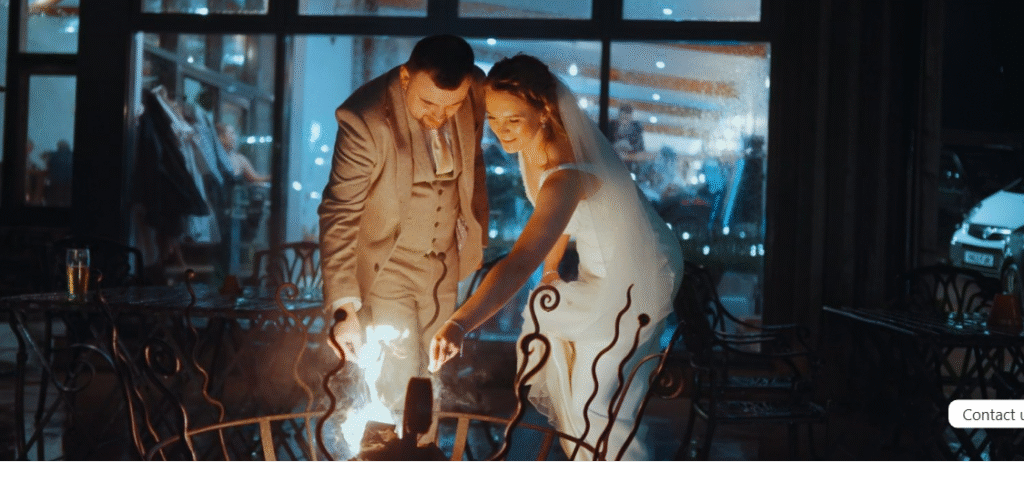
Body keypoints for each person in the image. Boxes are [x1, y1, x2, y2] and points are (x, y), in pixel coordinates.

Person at [429, 55, 683, 460]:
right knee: (579, 404)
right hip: (597, 270)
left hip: (637, 277)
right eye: (493, 118)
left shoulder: (568, 171)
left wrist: (460, 322)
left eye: (513, 119)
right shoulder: (533, 145)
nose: (500, 130)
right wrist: (551, 271)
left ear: (544, 110)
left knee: (594, 404)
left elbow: (519, 260)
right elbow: (559, 223)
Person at [318, 35, 489, 423]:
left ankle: (422, 451)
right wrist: (346, 309)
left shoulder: (475, 90)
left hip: (446, 263)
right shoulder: (364, 119)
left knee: (432, 380)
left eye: (453, 105)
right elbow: (339, 212)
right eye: (428, 103)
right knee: (394, 381)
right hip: (389, 265)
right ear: (406, 77)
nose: (439, 116)